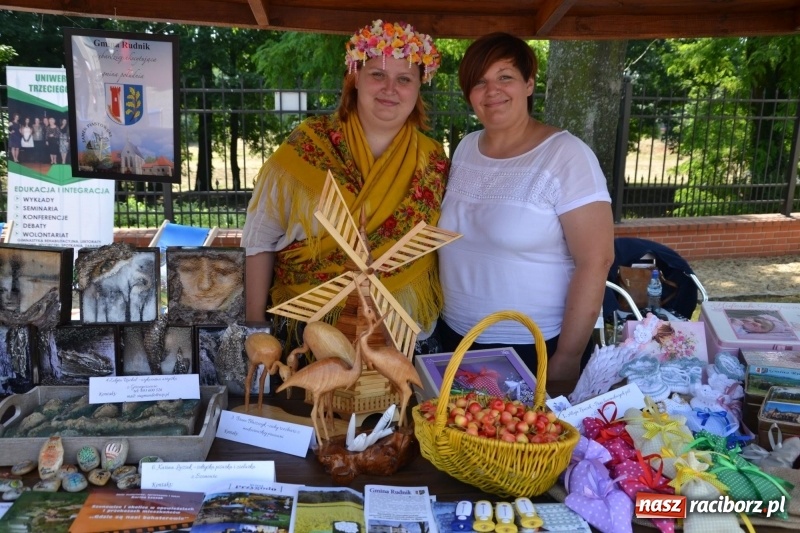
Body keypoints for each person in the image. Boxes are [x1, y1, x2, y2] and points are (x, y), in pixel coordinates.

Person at [241, 19, 448, 351]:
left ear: (418, 86)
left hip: (403, 339)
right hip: (310, 339)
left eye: (404, 79)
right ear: (355, 79)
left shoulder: (434, 160)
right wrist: (255, 328)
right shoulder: (308, 145)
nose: (390, 89)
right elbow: (259, 238)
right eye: (377, 75)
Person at [435, 32, 615, 381]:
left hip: (533, 348)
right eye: (479, 82)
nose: (492, 91)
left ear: (529, 84)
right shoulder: (465, 148)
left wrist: (567, 356)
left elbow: (596, 260)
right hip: (454, 340)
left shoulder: (566, 155)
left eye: (506, 77)